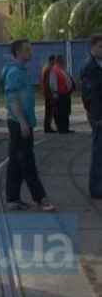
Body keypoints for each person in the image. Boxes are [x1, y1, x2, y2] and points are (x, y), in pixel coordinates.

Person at [1, 39, 55, 211]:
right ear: (18, 53)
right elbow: (12, 100)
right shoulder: (15, 73)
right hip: (19, 123)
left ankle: (12, 198)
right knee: (27, 162)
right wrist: (23, 122)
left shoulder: (19, 71)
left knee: (15, 161)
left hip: (19, 122)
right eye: (27, 50)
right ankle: (40, 198)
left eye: (30, 49)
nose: (31, 52)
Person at [80, 33, 102, 199]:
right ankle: (95, 187)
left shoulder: (97, 64)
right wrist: (98, 115)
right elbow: (91, 94)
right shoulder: (90, 66)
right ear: (92, 48)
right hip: (99, 116)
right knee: (98, 151)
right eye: (100, 47)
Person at [49, 54, 76, 134]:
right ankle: (61, 128)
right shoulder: (54, 70)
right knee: (61, 112)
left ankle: (66, 127)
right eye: (62, 60)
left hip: (66, 93)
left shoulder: (63, 69)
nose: (64, 61)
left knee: (67, 111)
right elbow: (52, 82)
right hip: (60, 94)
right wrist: (55, 92)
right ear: (58, 61)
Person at [40, 55, 57, 133]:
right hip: (49, 93)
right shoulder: (49, 69)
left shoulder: (45, 68)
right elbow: (48, 82)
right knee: (50, 111)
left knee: (49, 111)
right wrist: (52, 93)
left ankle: (47, 126)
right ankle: (47, 127)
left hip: (46, 92)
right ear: (52, 61)